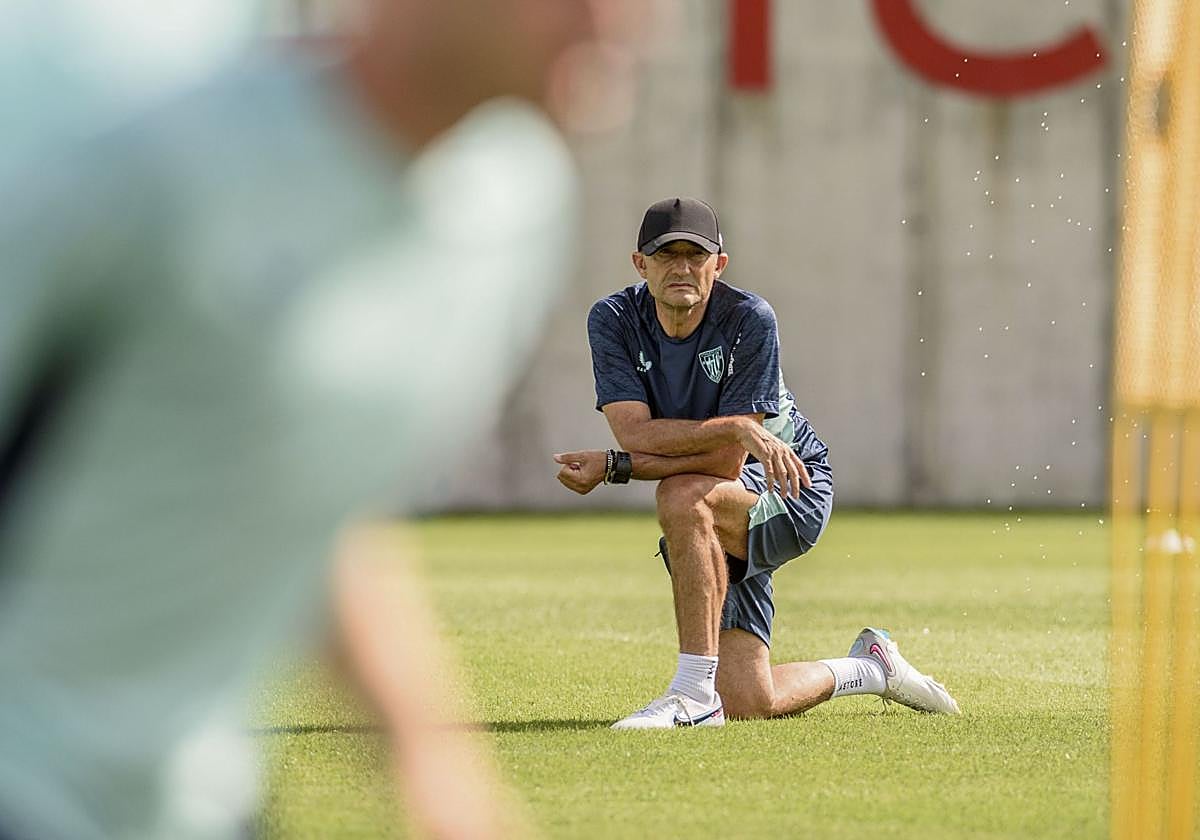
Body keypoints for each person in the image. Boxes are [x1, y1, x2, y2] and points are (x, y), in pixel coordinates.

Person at [0, 2, 613, 838]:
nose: (620, 22)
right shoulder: (145, 146)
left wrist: (434, 767)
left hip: (197, 803)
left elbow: (300, 487)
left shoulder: (513, 215)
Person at [554, 197, 961, 729]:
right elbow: (634, 431)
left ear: (718, 264)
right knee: (750, 700)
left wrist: (619, 465)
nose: (681, 267)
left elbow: (723, 462)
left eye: (694, 255)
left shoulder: (748, 318)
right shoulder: (612, 319)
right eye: (665, 255)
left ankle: (692, 696)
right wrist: (738, 427)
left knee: (682, 497)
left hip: (791, 488)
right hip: (722, 498)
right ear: (640, 264)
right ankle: (869, 668)